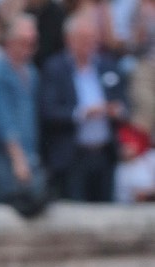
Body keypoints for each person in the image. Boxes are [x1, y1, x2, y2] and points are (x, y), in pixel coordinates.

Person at [39, 12, 127, 201]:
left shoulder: (107, 65)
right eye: (84, 39)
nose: (90, 44)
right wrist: (83, 113)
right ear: (69, 39)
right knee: (75, 212)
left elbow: (124, 102)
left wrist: (116, 110)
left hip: (105, 154)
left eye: (93, 39)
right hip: (73, 156)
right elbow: (48, 111)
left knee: (106, 211)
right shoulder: (55, 68)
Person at [0, 14, 49, 212]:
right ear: (10, 42)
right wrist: (18, 159)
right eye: (25, 42)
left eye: (33, 42)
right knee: (8, 208)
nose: (30, 48)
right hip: (6, 158)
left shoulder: (31, 72)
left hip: (29, 153)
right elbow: (2, 120)